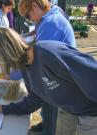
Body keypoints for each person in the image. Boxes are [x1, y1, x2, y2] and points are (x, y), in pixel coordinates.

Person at [0, 27, 97, 135]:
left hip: (91, 111)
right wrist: (4, 108)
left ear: (5, 53)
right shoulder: (25, 66)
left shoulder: (50, 53)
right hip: (68, 109)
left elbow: (92, 73)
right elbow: (34, 100)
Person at [18, 0, 76, 133]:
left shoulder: (51, 23)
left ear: (34, 6)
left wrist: (17, 70)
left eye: (28, 16)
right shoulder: (48, 15)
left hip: (61, 77)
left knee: (48, 101)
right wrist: (22, 37)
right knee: (46, 102)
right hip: (58, 70)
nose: (30, 19)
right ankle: (45, 123)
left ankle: (49, 128)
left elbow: (39, 59)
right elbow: (36, 33)